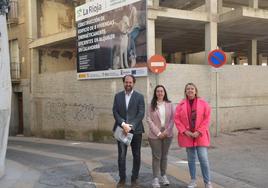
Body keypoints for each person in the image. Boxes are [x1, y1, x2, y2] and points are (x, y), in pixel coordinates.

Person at [174, 83, 213, 188]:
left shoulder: (203, 103)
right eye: (188, 89)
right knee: (191, 159)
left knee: (203, 158)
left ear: (196, 91)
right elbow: (177, 119)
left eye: (192, 89)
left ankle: (207, 182)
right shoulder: (180, 105)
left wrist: (199, 131)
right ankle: (193, 180)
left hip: (200, 135)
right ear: (185, 91)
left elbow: (207, 118)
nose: (190, 90)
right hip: (188, 136)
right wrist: (185, 132)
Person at [112, 74, 145, 187]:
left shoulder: (139, 96)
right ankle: (122, 179)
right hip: (121, 130)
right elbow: (115, 111)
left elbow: (141, 113)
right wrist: (123, 124)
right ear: (124, 83)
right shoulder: (117, 96)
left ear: (133, 83)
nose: (128, 84)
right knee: (121, 156)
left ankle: (134, 178)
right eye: (126, 82)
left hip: (136, 131)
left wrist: (130, 126)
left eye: (130, 82)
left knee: (137, 155)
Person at [147, 85, 174, 188]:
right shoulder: (151, 105)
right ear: (155, 93)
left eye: (161, 91)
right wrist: (158, 133)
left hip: (168, 134)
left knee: (164, 156)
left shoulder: (170, 104)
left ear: (164, 92)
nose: (160, 93)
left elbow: (172, 119)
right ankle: (155, 179)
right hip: (154, 135)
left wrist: (166, 131)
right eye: (158, 91)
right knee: (157, 156)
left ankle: (163, 176)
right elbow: (149, 120)